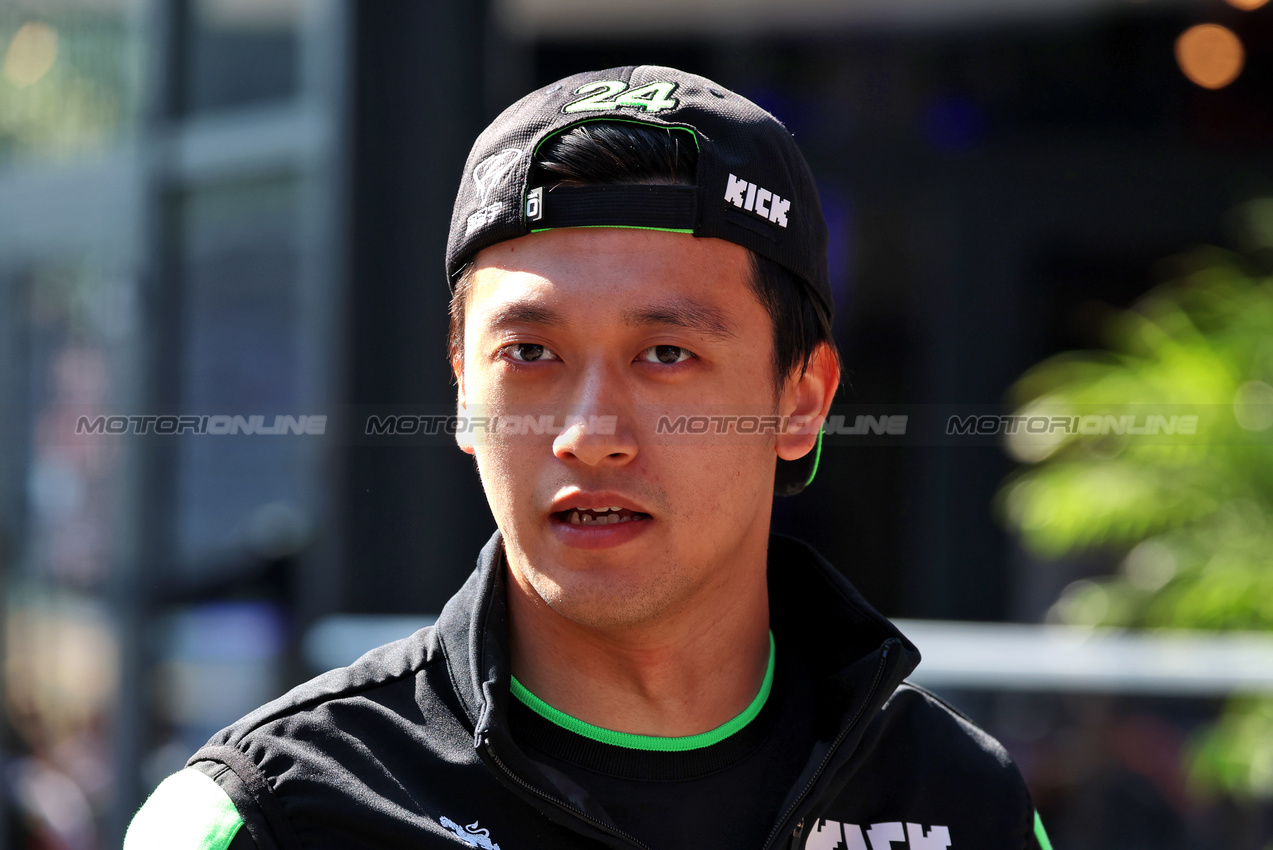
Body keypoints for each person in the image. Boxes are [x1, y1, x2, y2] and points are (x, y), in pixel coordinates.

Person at [126, 66, 1052, 850]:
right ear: (461, 392)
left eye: (666, 356)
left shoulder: (964, 806)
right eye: (530, 355)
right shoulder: (264, 816)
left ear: (800, 399)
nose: (588, 431)